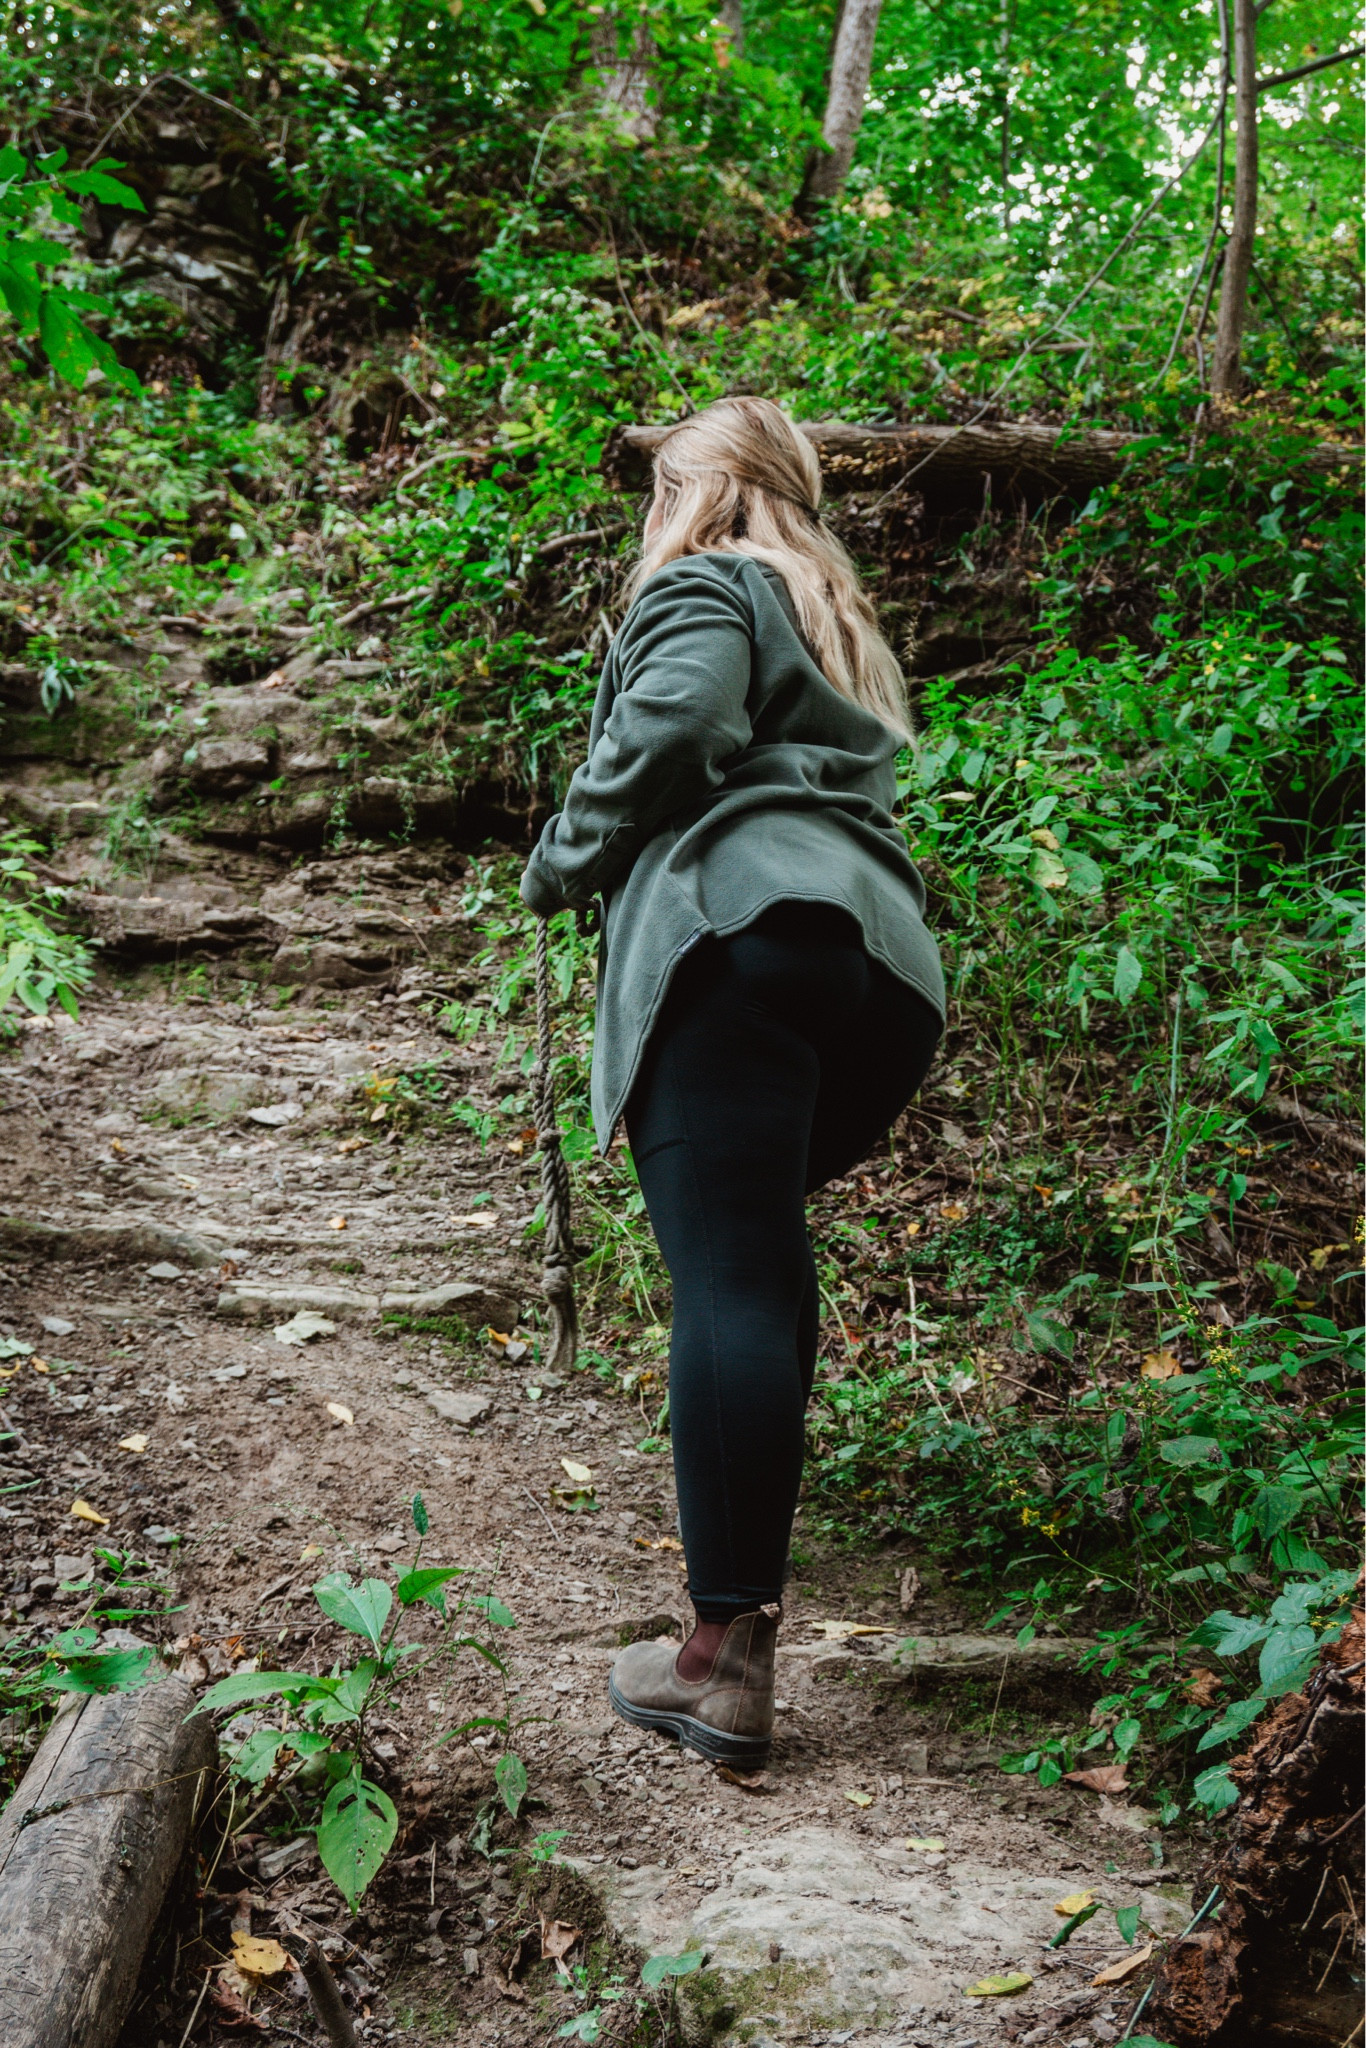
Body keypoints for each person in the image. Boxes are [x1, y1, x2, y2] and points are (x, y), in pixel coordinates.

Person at [520, 397, 944, 1768]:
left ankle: (716, 1658)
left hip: (737, 941)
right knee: (756, 1270)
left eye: (662, 485)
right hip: (873, 973)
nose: (653, 510)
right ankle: (733, 1634)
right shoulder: (837, 622)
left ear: (700, 489)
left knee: (726, 1281)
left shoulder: (707, 580)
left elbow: (676, 726)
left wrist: (565, 856)